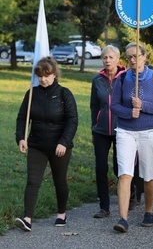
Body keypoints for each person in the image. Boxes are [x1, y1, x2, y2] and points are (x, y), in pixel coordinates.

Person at [14, 56, 78, 231]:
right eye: (40, 76)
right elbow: (22, 118)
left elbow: (72, 120)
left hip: (59, 146)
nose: (42, 79)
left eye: (46, 75)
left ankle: (61, 214)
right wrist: (21, 137)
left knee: (59, 181)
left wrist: (64, 142)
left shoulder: (65, 94)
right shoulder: (32, 93)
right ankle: (27, 218)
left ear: (54, 75)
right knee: (33, 181)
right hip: (36, 145)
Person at [110, 43, 153, 232]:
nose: (132, 60)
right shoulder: (122, 79)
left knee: (149, 174)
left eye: (135, 56)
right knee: (125, 173)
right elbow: (114, 106)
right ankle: (123, 218)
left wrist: (143, 106)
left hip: (149, 132)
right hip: (126, 131)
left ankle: (149, 212)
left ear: (144, 56)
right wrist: (129, 112)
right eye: (129, 57)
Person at [90, 45, 127, 218]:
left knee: (119, 167)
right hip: (101, 130)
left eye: (111, 57)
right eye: (105, 57)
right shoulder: (97, 80)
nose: (107, 60)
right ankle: (104, 206)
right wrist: (93, 127)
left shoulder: (126, 77)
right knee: (100, 167)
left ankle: (130, 195)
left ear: (118, 59)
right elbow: (94, 106)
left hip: (122, 129)